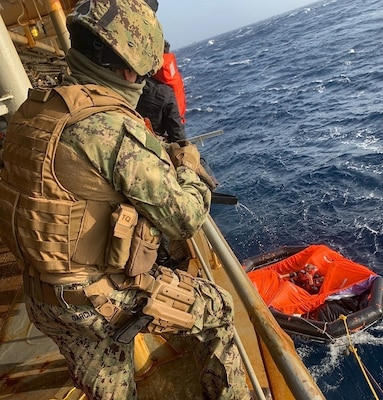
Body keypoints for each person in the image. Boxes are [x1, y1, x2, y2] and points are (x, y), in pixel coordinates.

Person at [0, 1, 251, 399]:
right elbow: (184, 218)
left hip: (43, 298)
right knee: (218, 307)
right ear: (130, 68)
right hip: (95, 301)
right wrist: (187, 169)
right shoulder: (109, 127)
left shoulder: (34, 110)